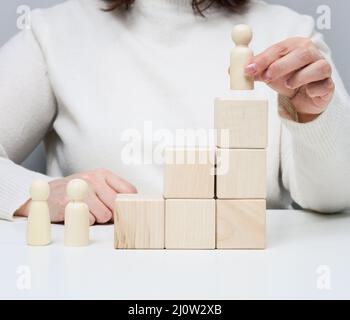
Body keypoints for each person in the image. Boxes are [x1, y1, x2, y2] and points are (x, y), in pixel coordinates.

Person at [0, 0, 349, 224]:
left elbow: (335, 198)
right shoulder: (54, 33)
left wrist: (313, 118)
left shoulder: (288, 35)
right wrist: (37, 194)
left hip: (246, 277)